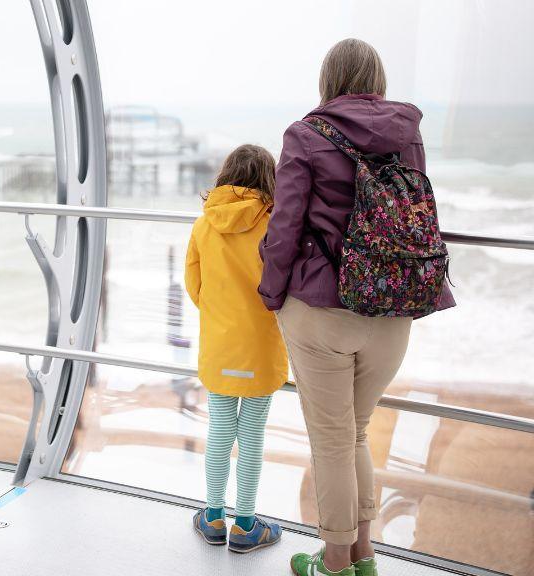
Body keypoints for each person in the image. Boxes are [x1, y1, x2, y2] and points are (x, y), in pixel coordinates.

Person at [259, 39, 455, 576]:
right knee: (357, 431)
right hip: (395, 307)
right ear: (377, 77)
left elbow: (285, 227)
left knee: (332, 440)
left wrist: (273, 294)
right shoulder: (408, 132)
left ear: (328, 79)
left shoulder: (305, 134)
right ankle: (364, 556)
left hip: (324, 309)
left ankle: (334, 561)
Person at [186, 145, 286, 554]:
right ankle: (245, 524)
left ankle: (212, 518)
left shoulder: (203, 225)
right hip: (261, 347)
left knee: (220, 431)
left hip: (220, 345)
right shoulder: (276, 224)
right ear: (269, 180)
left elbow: (194, 287)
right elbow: (285, 284)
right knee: (252, 434)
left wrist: (220, 314)